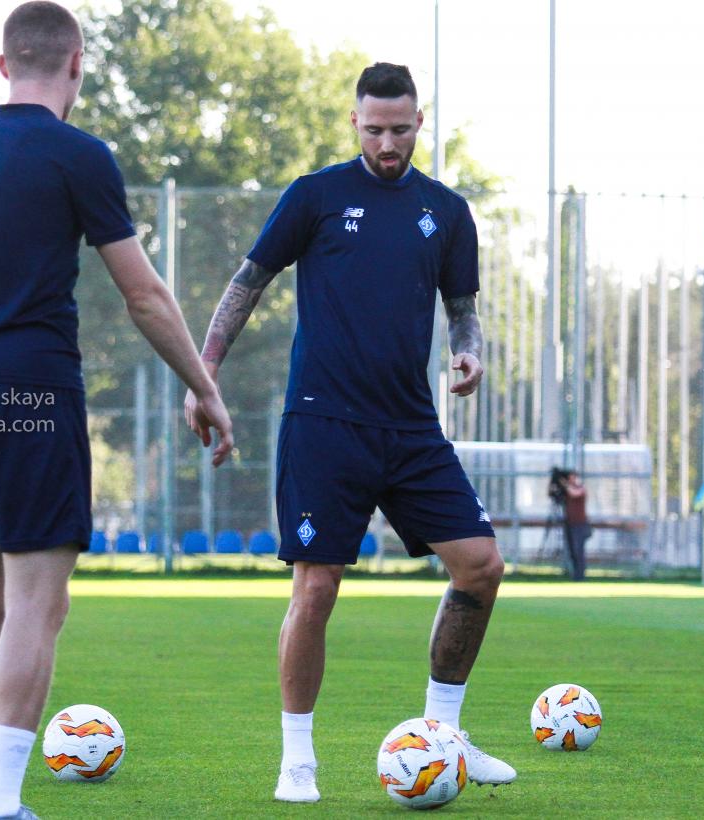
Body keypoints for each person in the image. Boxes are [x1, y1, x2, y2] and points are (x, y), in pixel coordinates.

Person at [0, 4, 233, 818]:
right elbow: (143, 294)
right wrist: (204, 388)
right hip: (35, 392)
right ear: (76, 65)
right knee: (37, 604)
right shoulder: (80, 156)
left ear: (5, 65)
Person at [185, 62, 515, 803]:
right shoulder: (316, 195)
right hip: (324, 423)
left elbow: (462, 309)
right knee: (317, 586)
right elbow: (248, 282)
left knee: (481, 567)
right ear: (354, 123)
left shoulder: (447, 211)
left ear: (419, 122)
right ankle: (297, 759)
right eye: (373, 130)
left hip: (411, 427)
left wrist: (470, 351)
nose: (387, 144)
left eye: (399, 129)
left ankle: (443, 735)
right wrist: (205, 371)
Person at [553, 469, 592, 580]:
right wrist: (555, 482)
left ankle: (581, 575)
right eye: (569, 478)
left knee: (578, 550)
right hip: (570, 524)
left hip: (580, 525)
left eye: (572, 478)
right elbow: (554, 495)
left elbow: (573, 493)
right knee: (572, 551)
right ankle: (576, 575)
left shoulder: (580, 489)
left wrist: (564, 483)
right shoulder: (566, 490)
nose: (570, 480)